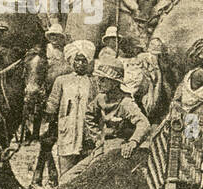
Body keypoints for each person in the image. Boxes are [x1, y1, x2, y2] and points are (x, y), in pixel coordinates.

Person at [45, 41, 99, 177]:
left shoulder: (94, 82)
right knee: (66, 174)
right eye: (77, 60)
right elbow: (52, 105)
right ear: (72, 61)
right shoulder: (62, 81)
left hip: (87, 134)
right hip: (67, 132)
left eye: (84, 61)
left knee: (86, 175)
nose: (80, 64)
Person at [92, 61, 150, 155]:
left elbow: (144, 123)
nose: (98, 83)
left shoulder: (125, 102)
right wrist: (97, 137)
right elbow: (89, 115)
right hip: (102, 147)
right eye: (98, 79)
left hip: (118, 149)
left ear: (114, 83)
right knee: (76, 170)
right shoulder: (100, 98)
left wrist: (133, 142)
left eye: (103, 80)